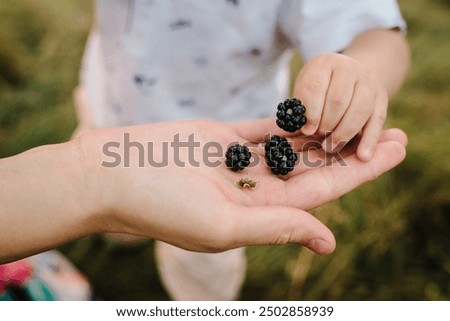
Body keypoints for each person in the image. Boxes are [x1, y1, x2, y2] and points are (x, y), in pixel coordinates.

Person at [70, 0, 410, 300]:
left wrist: (361, 72)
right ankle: (121, 236)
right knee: (114, 215)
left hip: (220, 161)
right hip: (110, 118)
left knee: (202, 265)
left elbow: (377, 35)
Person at [0, 119, 407, 263]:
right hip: (111, 117)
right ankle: (114, 228)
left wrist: (354, 74)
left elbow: (372, 30)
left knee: (201, 269)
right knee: (120, 232)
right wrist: (88, 179)